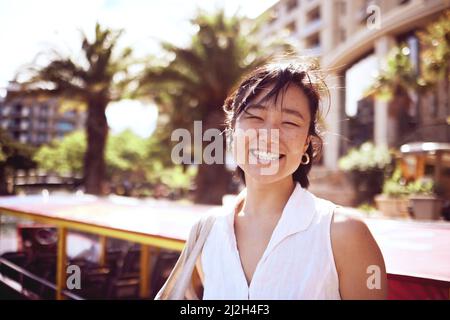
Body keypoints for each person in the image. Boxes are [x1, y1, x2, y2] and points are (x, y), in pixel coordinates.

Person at [197, 60, 387, 300]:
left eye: (290, 122)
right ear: (232, 131)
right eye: (255, 117)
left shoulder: (345, 235)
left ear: (307, 143)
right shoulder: (207, 233)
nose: (269, 136)